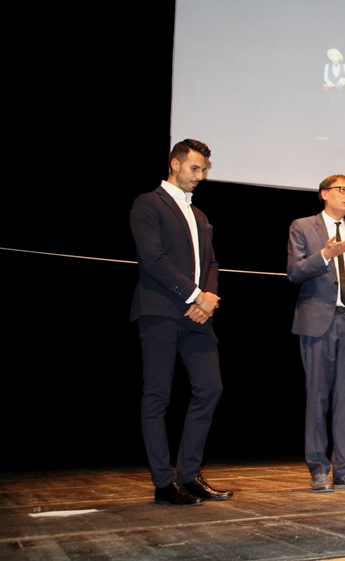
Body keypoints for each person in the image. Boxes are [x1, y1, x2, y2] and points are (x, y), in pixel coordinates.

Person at [129, 139, 233, 505]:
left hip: (197, 315)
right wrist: (195, 295)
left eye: (204, 170)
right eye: (195, 168)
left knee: (211, 388)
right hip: (161, 310)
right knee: (158, 395)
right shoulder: (148, 203)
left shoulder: (199, 215)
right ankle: (163, 481)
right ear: (175, 164)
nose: (200, 175)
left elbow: (212, 263)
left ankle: (189, 473)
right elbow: (153, 259)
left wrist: (208, 298)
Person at [287, 175, 345, 492]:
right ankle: (318, 468)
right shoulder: (303, 226)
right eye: (342, 190)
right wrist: (325, 254)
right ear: (324, 194)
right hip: (318, 323)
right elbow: (294, 272)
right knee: (318, 397)